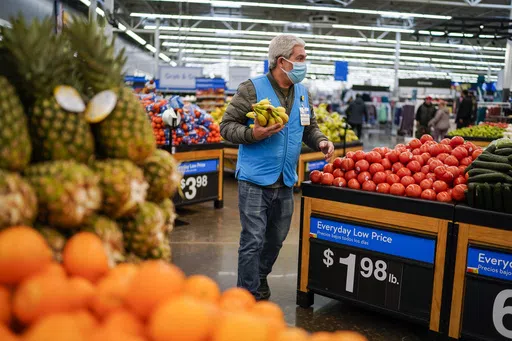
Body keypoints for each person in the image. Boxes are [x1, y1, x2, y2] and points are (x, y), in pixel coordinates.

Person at [220, 35, 334, 300]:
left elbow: (309, 128)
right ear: (282, 61)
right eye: (301, 58)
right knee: (253, 240)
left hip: (285, 180)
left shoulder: (303, 93)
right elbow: (225, 126)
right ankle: (247, 295)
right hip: (255, 180)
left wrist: (322, 141)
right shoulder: (251, 89)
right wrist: (253, 134)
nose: (306, 63)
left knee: (275, 240)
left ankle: (259, 277)